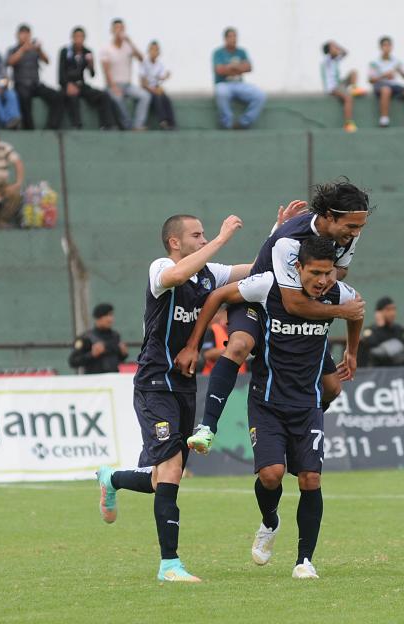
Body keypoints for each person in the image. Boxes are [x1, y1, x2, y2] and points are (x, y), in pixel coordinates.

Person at [176, 237, 363, 579]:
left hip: (307, 403)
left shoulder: (340, 293)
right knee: (271, 475)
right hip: (267, 401)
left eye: (328, 274)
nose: (322, 281)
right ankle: (270, 520)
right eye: (315, 273)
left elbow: (357, 311)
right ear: (298, 268)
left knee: (310, 478)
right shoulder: (269, 286)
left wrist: (352, 351)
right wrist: (193, 342)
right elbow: (219, 295)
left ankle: (304, 560)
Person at [95, 213, 254, 583]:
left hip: (184, 384)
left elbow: (254, 270)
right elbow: (177, 277)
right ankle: (170, 565)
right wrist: (223, 237)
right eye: (196, 235)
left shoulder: (208, 273)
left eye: (204, 234)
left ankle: (113, 479)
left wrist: (283, 238)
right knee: (170, 471)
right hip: (154, 383)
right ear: (175, 242)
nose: (203, 239)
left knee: (164, 477)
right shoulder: (162, 267)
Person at [178, 180, 370, 455]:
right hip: (260, 299)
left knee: (331, 387)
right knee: (240, 345)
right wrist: (339, 308)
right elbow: (292, 304)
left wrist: (315, 279)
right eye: (352, 227)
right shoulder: (290, 240)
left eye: (360, 227)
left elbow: (340, 273)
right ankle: (207, 428)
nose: (356, 233)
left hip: (302, 302)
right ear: (329, 216)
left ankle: (302, 430)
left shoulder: (347, 232)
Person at [6, 24, 63, 130]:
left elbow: (47, 61)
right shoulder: (13, 49)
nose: (25, 36)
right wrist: (23, 50)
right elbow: (9, 62)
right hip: (21, 84)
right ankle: (29, 129)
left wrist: (39, 49)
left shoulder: (34, 49)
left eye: (27, 34)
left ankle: (52, 126)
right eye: (22, 34)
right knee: (24, 99)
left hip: (35, 84)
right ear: (17, 35)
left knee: (57, 96)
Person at [58, 27, 116, 130]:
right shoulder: (65, 51)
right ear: (72, 38)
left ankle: (107, 125)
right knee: (72, 97)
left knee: (103, 95)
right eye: (76, 37)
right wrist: (67, 85)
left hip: (81, 84)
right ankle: (77, 125)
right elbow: (61, 73)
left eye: (81, 37)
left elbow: (92, 74)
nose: (79, 39)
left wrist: (91, 64)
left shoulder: (87, 52)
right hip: (68, 84)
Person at [100, 19, 150, 130]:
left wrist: (130, 42)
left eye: (121, 28)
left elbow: (141, 58)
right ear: (112, 30)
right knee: (118, 99)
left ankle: (138, 125)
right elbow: (106, 70)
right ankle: (128, 126)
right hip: (113, 85)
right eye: (116, 28)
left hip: (128, 85)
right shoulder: (106, 49)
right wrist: (113, 87)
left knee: (145, 96)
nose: (119, 31)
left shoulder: (128, 47)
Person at [212, 27, 266, 130]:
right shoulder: (218, 53)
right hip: (224, 84)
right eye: (230, 36)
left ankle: (244, 122)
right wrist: (237, 68)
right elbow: (219, 70)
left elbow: (249, 68)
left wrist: (230, 67)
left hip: (239, 84)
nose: (233, 39)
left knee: (260, 95)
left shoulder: (241, 52)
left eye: (235, 36)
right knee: (221, 92)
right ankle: (227, 124)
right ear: (225, 39)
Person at [368, 36, 404, 128]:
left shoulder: (396, 61)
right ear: (380, 47)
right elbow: (371, 80)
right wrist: (384, 76)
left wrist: (400, 71)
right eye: (385, 45)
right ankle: (384, 120)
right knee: (386, 90)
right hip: (380, 85)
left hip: (394, 85)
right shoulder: (374, 62)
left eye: (389, 45)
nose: (387, 48)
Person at [68, 302, 128, 374]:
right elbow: (73, 361)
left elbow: (117, 360)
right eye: (106, 315)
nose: (110, 319)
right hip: (94, 381)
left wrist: (123, 353)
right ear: (98, 318)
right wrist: (92, 354)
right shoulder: (86, 338)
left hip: (113, 380)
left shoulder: (115, 336)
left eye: (111, 315)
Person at [321, 40, 366, 133]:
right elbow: (333, 54)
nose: (336, 48)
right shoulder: (327, 60)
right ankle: (348, 124)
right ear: (329, 51)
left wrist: (337, 45)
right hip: (332, 87)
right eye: (333, 47)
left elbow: (346, 53)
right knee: (348, 98)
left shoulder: (335, 59)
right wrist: (333, 47)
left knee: (353, 72)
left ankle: (354, 88)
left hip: (339, 84)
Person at [358, 296, 404, 367]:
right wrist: (380, 327)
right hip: (378, 371)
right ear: (379, 313)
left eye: (394, 309)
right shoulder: (370, 330)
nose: (392, 313)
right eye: (388, 310)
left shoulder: (400, 329)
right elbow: (372, 345)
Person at [140, 40, 175, 130]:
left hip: (156, 88)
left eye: (156, 50)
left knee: (166, 99)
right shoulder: (144, 63)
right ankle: (163, 122)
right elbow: (143, 83)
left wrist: (166, 76)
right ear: (148, 51)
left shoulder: (160, 65)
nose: (154, 52)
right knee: (157, 98)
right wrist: (153, 90)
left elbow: (160, 78)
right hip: (147, 89)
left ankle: (172, 123)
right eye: (152, 50)